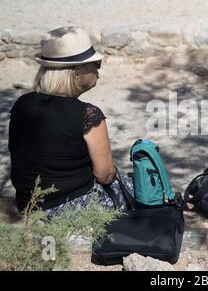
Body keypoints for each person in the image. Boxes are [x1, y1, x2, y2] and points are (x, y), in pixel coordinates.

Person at [8, 26, 133, 217]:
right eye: (96, 64)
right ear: (76, 71)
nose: (98, 71)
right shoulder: (88, 115)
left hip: (29, 205)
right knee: (138, 189)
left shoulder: (22, 104)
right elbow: (105, 175)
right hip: (70, 209)